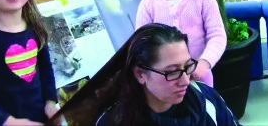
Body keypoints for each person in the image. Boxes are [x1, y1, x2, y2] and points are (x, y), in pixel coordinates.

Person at [47, 23, 240, 126]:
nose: (185, 80)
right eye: (171, 72)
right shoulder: (113, 121)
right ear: (140, 74)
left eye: (188, 66)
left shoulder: (205, 99)